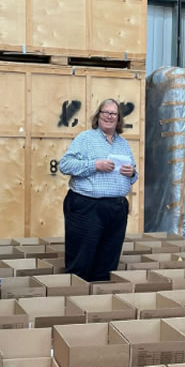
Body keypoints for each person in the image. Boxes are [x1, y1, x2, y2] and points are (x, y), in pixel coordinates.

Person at [59, 98, 138, 282]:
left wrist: (132, 172)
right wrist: (95, 165)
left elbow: (133, 174)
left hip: (116, 208)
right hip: (88, 207)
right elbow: (65, 165)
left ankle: (99, 303)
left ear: (119, 119)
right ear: (98, 116)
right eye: (106, 112)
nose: (110, 116)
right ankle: (76, 301)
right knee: (82, 260)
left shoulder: (123, 144)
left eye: (114, 113)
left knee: (108, 262)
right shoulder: (85, 139)